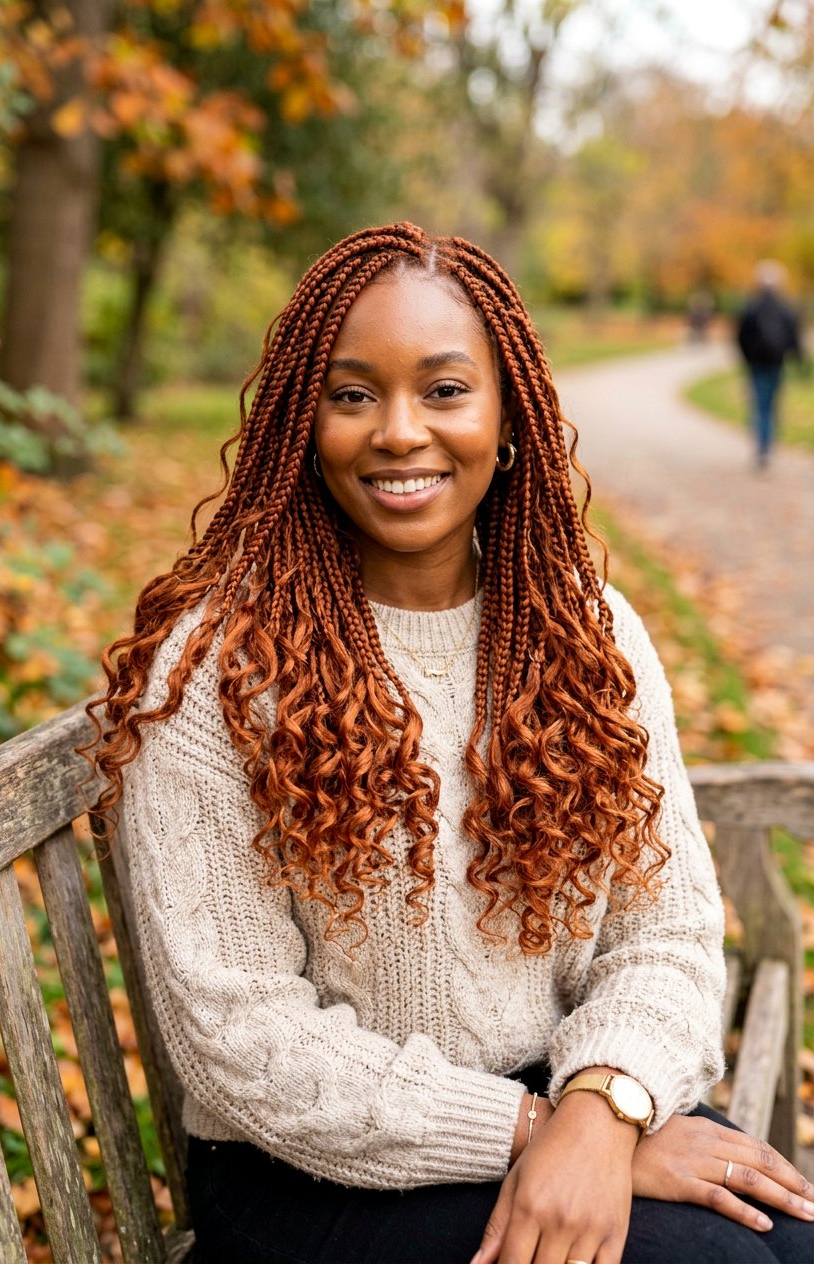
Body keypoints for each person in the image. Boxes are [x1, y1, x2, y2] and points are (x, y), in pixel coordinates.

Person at [90, 224, 814, 1264]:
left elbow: (668, 937)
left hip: (558, 1098)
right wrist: (534, 1134)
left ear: (507, 415)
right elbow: (242, 1044)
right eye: (351, 395)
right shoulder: (216, 670)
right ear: (302, 422)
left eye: (441, 390)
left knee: (790, 1238)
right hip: (305, 1170)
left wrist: (602, 1108)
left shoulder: (587, 632)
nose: (397, 431)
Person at [736, 260, 803, 468]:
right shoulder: (785, 308)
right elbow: (793, 338)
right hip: (776, 363)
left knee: (760, 405)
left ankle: (762, 448)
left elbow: (741, 337)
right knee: (772, 405)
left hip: (757, 364)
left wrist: (748, 359)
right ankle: (768, 445)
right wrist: (796, 358)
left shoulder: (751, 306)